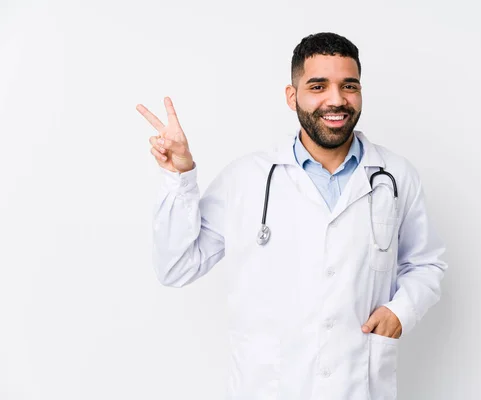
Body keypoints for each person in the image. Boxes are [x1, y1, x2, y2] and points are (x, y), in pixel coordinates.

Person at [137, 32, 448, 400]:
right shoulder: (246, 178)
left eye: (349, 86)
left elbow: (426, 264)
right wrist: (180, 177)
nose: (336, 99)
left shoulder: (395, 176)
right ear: (292, 96)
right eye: (318, 86)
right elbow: (176, 266)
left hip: (357, 385)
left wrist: (401, 310)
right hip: (269, 387)